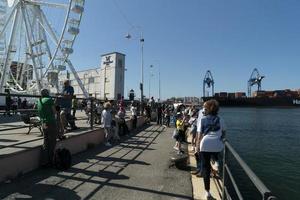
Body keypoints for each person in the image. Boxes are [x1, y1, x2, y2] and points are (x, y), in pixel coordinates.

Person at [196, 100, 226, 199]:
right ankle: (216, 162)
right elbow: (224, 133)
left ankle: (207, 193)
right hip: (217, 145)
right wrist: (221, 139)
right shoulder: (220, 119)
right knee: (216, 150)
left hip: (204, 144)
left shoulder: (203, 119)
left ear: (207, 109)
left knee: (205, 169)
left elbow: (199, 135)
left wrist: (197, 147)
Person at [37, 89, 58, 167]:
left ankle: (44, 161)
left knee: (46, 142)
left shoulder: (39, 100)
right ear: (48, 93)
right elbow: (55, 111)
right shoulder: (49, 100)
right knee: (52, 142)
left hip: (43, 123)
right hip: (50, 122)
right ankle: (50, 161)